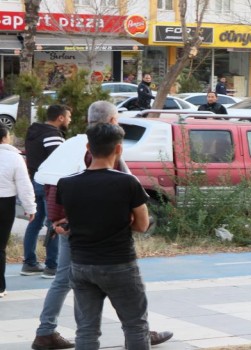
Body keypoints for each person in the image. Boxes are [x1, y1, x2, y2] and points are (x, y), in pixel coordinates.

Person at [32, 101, 173, 350]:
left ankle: (45, 330)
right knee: (134, 324)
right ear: (113, 128)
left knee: (84, 325)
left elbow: (52, 189)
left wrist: (59, 221)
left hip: (81, 255)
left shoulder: (69, 159)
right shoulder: (124, 176)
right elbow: (140, 221)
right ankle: (143, 333)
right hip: (117, 259)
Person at [56, 123, 150, 349]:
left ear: (88, 147)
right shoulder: (127, 183)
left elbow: (68, 220)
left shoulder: (66, 183)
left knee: (86, 330)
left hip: (81, 265)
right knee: (135, 325)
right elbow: (142, 225)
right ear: (119, 149)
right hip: (119, 264)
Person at [22, 105, 71, 278]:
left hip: (35, 180)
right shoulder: (52, 135)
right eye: (69, 117)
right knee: (54, 221)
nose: (70, 120)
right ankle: (52, 265)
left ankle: (29, 263)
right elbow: (60, 160)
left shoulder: (34, 132)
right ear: (60, 118)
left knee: (35, 222)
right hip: (49, 183)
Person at [0, 125, 36, 298]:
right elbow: (24, 185)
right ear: (5, 137)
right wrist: (30, 208)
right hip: (4, 203)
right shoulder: (14, 157)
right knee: (0, 246)